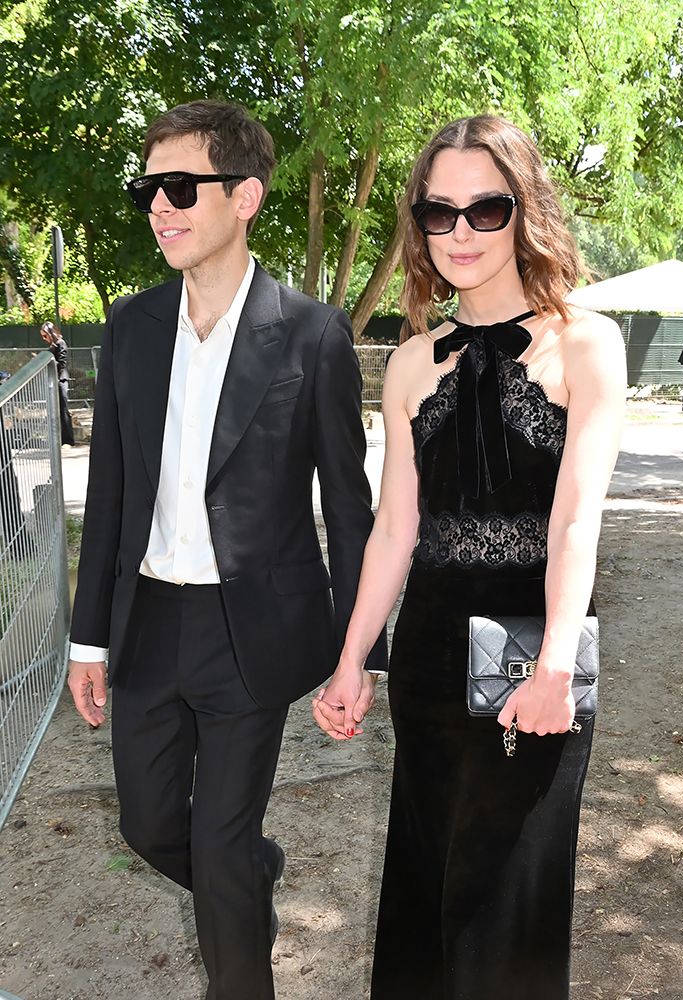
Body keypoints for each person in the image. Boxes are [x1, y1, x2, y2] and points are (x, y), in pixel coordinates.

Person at [67, 99, 386, 1000]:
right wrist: (89, 640)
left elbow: (349, 510)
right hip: (147, 625)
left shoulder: (314, 334)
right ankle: (248, 876)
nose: (159, 207)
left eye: (179, 187)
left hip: (252, 632)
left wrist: (352, 652)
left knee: (219, 843)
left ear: (244, 197)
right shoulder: (129, 328)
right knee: (148, 825)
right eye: (149, 191)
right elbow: (113, 500)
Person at [313, 115, 627, 999]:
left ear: (524, 211)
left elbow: (575, 519)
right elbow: (392, 530)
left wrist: (559, 662)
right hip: (429, 657)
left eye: (485, 210)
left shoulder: (587, 344)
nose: (459, 232)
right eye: (438, 211)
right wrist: (351, 662)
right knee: (426, 890)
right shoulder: (413, 363)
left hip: (536, 656)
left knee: (506, 905)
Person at [39, 320, 75, 445]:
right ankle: (61, 439)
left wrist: (49, 361)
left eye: (45, 335)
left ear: (51, 333)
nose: (44, 338)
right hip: (56, 380)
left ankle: (68, 440)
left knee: (63, 409)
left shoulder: (60, 343)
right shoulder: (54, 346)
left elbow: (62, 364)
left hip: (61, 380)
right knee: (58, 409)